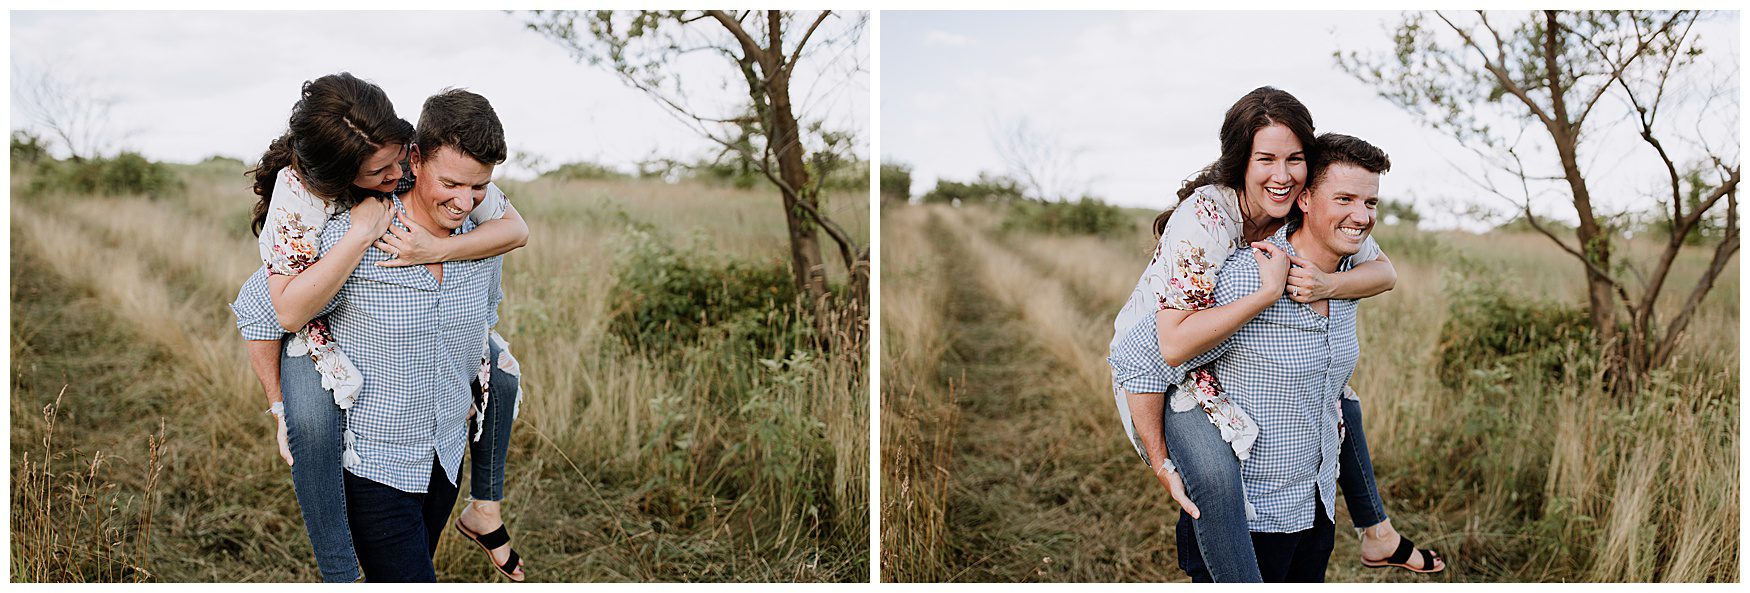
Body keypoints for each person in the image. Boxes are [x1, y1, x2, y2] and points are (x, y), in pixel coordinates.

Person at [1107, 87, 1443, 582]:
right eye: (1266, 159)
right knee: (1218, 481)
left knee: (1338, 398)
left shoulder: (1320, 226)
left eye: (1295, 159)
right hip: (1168, 358)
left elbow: (1385, 273)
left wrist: (1330, 283)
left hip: (1302, 501)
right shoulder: (1208, 221)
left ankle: (1377, 531)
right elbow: (1161, 349)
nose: (1282, 175)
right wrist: (1160, 460)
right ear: (1241, 161)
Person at [229, 73, 527, 582]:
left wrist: (439, 247)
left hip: (443, 456)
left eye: (477, 186)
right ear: (418, 162)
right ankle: (337, 572)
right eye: (451, 185)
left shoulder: (483, 238)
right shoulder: (339, 232)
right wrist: (279, 406)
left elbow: (516, 231)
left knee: (501, 370)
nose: (464, 200)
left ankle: (485, 510)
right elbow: (264, 309)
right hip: (375, 466)